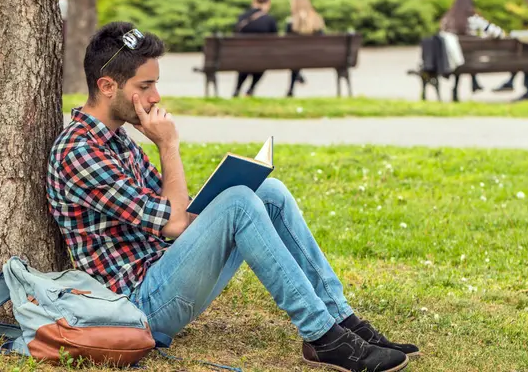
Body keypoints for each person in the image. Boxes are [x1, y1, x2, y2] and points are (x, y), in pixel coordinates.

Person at [46, 21, 419, 372]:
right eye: (144, 86)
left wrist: (216, 201)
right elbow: (175, 224)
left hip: (165, 273)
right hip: (141, 306)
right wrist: (169, 145)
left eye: (155, 84)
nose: (156, 96)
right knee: (239, 202)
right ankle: (322, 336)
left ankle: (341, 318)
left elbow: (172, 217)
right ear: (108, 86)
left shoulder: (118, 141)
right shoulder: (79, 151)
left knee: (266, 191)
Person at [440, 0, 505, 93]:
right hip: (471, 60)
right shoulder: (473, 19)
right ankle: (474, 83)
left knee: (461, 53)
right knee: (470, 54)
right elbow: (497, 33)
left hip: (452, 60)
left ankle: (462, 87)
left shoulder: (447, 19)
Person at [232, 0, 278, 97]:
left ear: (253, 2)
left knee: (246, 64)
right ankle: (251, 89)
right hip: (261, 57)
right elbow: (274, 39)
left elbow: (235, 34)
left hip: (243, 55)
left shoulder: (242, 17)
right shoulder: (269, 20)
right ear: (268, 3)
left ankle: (237, 89)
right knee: (261, 64)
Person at [285, 0, 325, 97]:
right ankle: (297, 77)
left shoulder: (291, 23)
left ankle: (291, 88)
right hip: (315, 56)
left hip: (295, 58)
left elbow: (286, 43)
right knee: (297, 58)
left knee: (294, 58)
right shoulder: (317, 21)